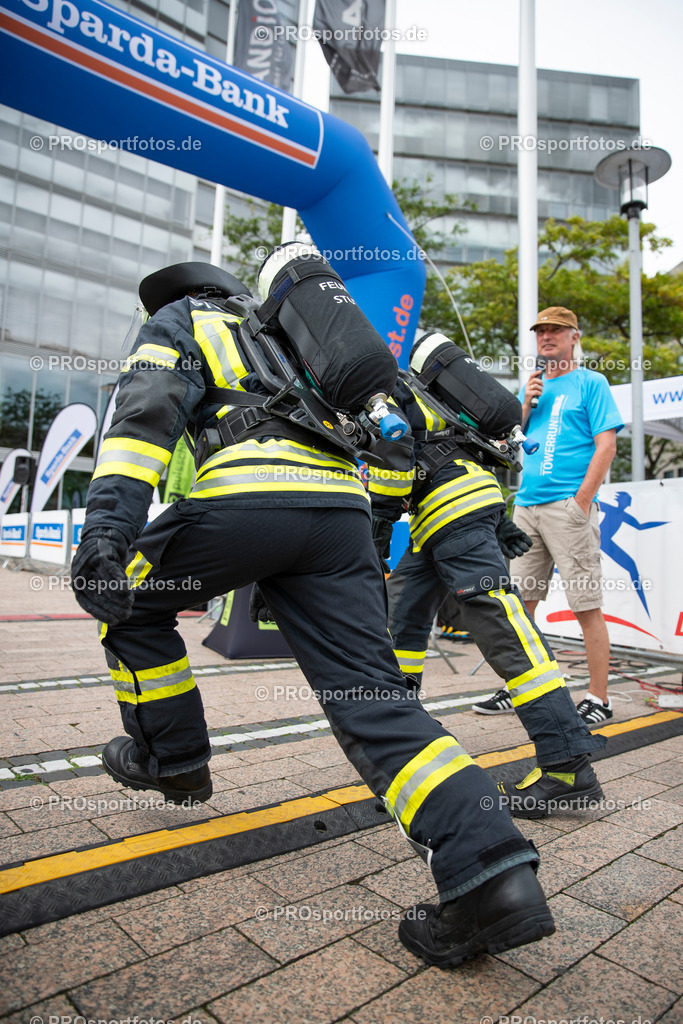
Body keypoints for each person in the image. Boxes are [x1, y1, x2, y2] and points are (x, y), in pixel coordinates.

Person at [70, 251, 555, 969]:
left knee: (127, 605)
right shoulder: (296, 335)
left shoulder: (183, 320)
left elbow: (143, 419)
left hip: (243, 504)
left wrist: (107, 532)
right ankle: (491, 871)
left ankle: (173, 761)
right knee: (376, 698)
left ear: (176, 296)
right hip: (337, 519)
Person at [370, 329, 607, 820]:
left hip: (450, 518)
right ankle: (406, 752)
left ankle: (566, 766)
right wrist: (496, 518)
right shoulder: (434, 391)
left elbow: (395, 465)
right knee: (403, 626)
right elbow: (475, 453)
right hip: (443, 523)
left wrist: (375, 537)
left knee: (504, 631)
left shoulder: (389, 392)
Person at [510, 307, 624, 725]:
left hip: (566, 508)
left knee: (585, 605)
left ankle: (599, 697)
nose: (546, 337)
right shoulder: (535, 388)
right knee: (520, 606)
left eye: (555, 330)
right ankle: (519, 687)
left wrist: (581, 502)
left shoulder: (592, 382)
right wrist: (525, 404)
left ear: (574, 336)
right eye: (541, 331)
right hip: (526, 506)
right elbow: (513, 442)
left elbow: (606, 445)